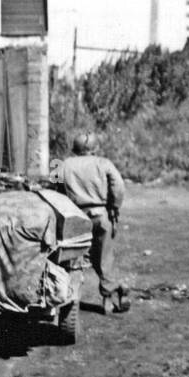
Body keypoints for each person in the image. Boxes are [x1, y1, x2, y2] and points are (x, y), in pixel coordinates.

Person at [55, 133, 128, 315]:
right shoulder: (103, 163)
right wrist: (114, 207)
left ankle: (67, 296)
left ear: (75, 148)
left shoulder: (64, 164)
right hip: (101, 215)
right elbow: (118, 186)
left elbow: (54, 187)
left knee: (73, 258)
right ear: (94, 148)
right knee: (104, 256)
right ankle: (108, 298)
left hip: (74, 216)